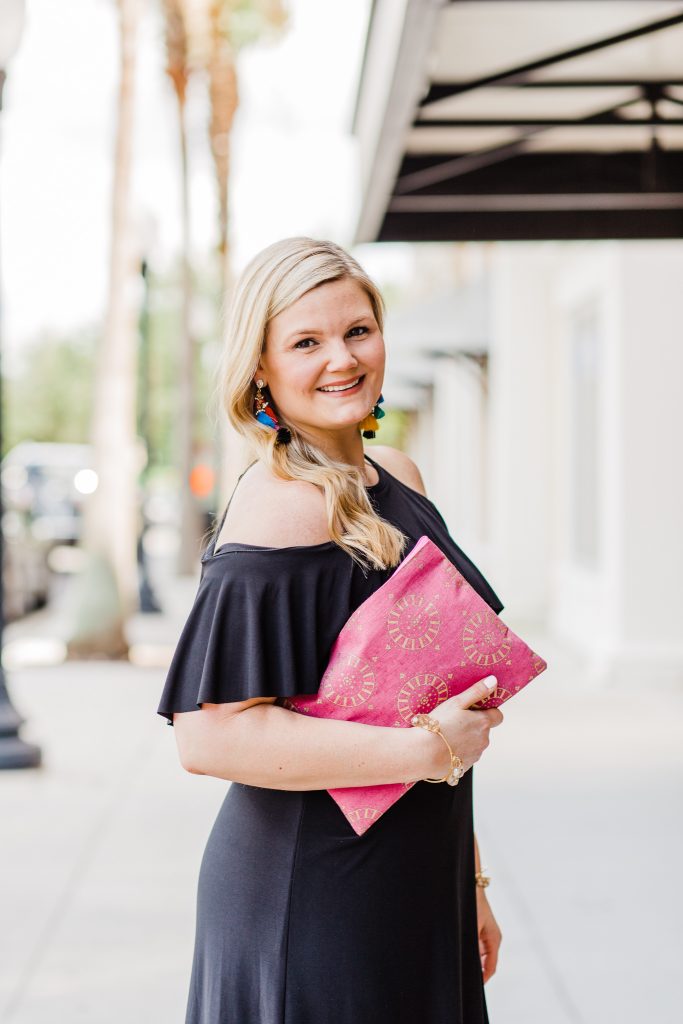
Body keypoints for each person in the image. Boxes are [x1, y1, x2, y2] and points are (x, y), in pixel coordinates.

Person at [157, 236, 505, 1024]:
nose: (340, 359)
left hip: (413, 875)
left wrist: (470, 881)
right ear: (261, 369)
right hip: (310, 893)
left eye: (357, 330)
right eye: (305, 342)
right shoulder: (281, 506)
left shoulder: (400, 478)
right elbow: (208, 738)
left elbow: (427, 694)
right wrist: (428, 749)